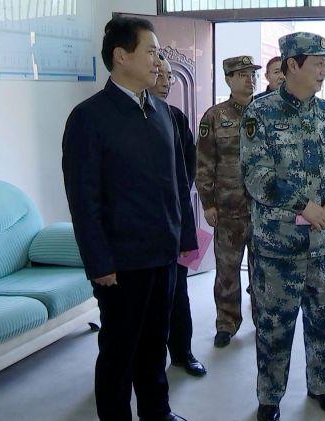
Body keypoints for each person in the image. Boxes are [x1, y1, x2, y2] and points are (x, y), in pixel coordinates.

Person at [62, 16, 197, 421]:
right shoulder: (89, 117)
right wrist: (99, 262)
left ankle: (157, 412)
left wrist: (184, 239)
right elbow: (83, 199)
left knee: (155, 343)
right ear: (122, 56)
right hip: (121, 264)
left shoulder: (162, 112)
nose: (158, 60)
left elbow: (178, 182)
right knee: (120, 350)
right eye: (151, 51)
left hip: (162, 253)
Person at [240, 32, 325, 421]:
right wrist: (305, 205)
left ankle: (321, 385)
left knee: (324, 322)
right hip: (278, 246)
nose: (324, 72)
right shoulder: (260, 114)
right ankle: (270, 397)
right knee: (274, 326)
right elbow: (256, 176)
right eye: (318, 63)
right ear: (292, 65)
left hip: (324, 244)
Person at [196, 55, 261, 348]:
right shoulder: (214, 116)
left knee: (262, 270)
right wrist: (208, 203)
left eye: (252, 74)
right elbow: (204, 163)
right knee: (227, 271)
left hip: (262, 210)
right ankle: (226, 322)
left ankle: (263, 319)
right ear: (228, 80)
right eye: (242, 74)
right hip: (228, 208)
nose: (250, 79)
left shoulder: (265, 113)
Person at [151, 56, 206, 377]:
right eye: (160, 74)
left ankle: (183, 353)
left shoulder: (175, 117)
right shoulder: (125, 119)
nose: (165, 82)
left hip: (175, 222)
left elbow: (188, 168)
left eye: (170, 76)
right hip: (143, 231)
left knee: (178, 293)